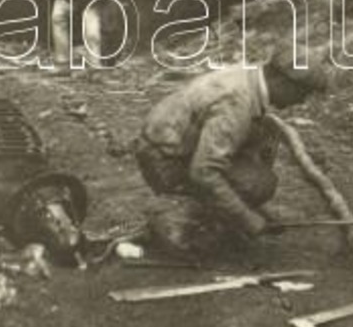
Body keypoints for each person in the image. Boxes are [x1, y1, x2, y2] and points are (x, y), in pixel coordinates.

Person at [134, 51, 325, 256]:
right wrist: (248, 219)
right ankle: (182, 219)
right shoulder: (237, 102)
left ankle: (219, 212)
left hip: (174, 146)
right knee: (258, 183)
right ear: (281, 81)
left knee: (266, 133)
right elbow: (204, 172)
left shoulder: (249, 75)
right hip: (164, 161)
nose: (301, 102)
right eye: (302, 93)